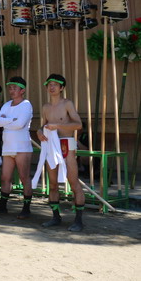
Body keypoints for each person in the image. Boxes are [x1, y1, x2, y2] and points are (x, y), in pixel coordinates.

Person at [35, 74, 85, 232]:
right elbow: (42, 126)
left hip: (67, 145)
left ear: (62, 88)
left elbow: (78, 125)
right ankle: (55, 216)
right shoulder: (45, 107)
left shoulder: (67, 104)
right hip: (51, 145)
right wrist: (39, 133)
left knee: (73, 182)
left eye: (55, 84)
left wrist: (57, 125)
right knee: (53, 183)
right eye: (49, 84)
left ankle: (79, 220)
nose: (52, 87)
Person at [0, 77, 34, 218]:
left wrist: (6, 121)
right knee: (5, 177)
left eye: (15, 88)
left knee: (24, 177)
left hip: (22, 147)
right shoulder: (7, 104)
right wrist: (11, 121)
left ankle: (26, 208)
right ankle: (3, 206)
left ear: (22, 90)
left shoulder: (26, 105)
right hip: (8, 146)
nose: (11, 90)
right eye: (10, 88)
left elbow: (20, 124)